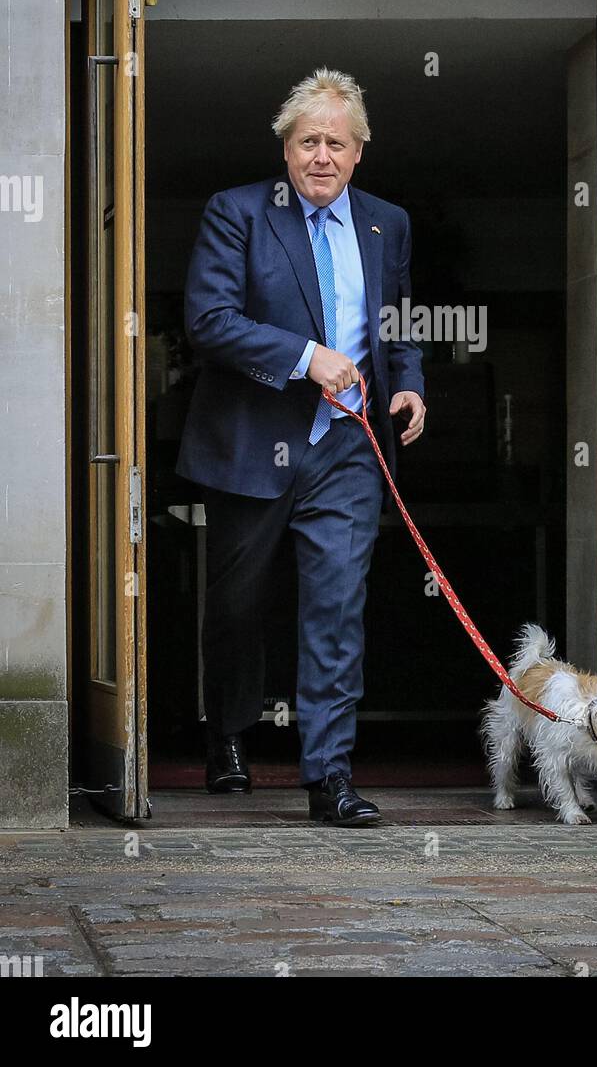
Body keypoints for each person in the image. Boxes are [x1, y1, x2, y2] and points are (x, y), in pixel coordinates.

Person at [176, 67, 426, 827]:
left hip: (348, 447)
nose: (322, 155)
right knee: (236, 607)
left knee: (336, 608)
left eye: (337, 143)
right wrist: (306, 355)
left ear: (359, 152)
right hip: (251, 445)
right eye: (308, 140)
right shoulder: (238, 213)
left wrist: (410, 381)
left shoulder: (388, 223)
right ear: (286, 149)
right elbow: (208, 320)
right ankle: (227, 736)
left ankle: (329, 777)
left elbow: (396, 321)